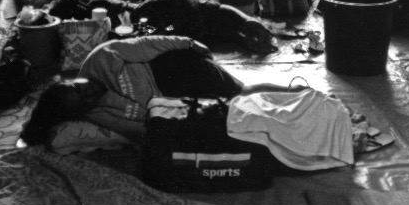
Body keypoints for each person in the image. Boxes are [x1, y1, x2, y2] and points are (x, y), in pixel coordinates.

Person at [20, 34, 246, 146]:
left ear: (70, 81)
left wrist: (188, 43)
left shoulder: (100, 58)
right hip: (169, 100)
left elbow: (146, 45)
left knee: (238, 93)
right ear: (82, 111)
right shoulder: (99, 114)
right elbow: (138, 129)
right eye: (84, 100)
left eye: (78, 89)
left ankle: (252, 93)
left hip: (168, 68)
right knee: (226, 116)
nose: (89, 93)